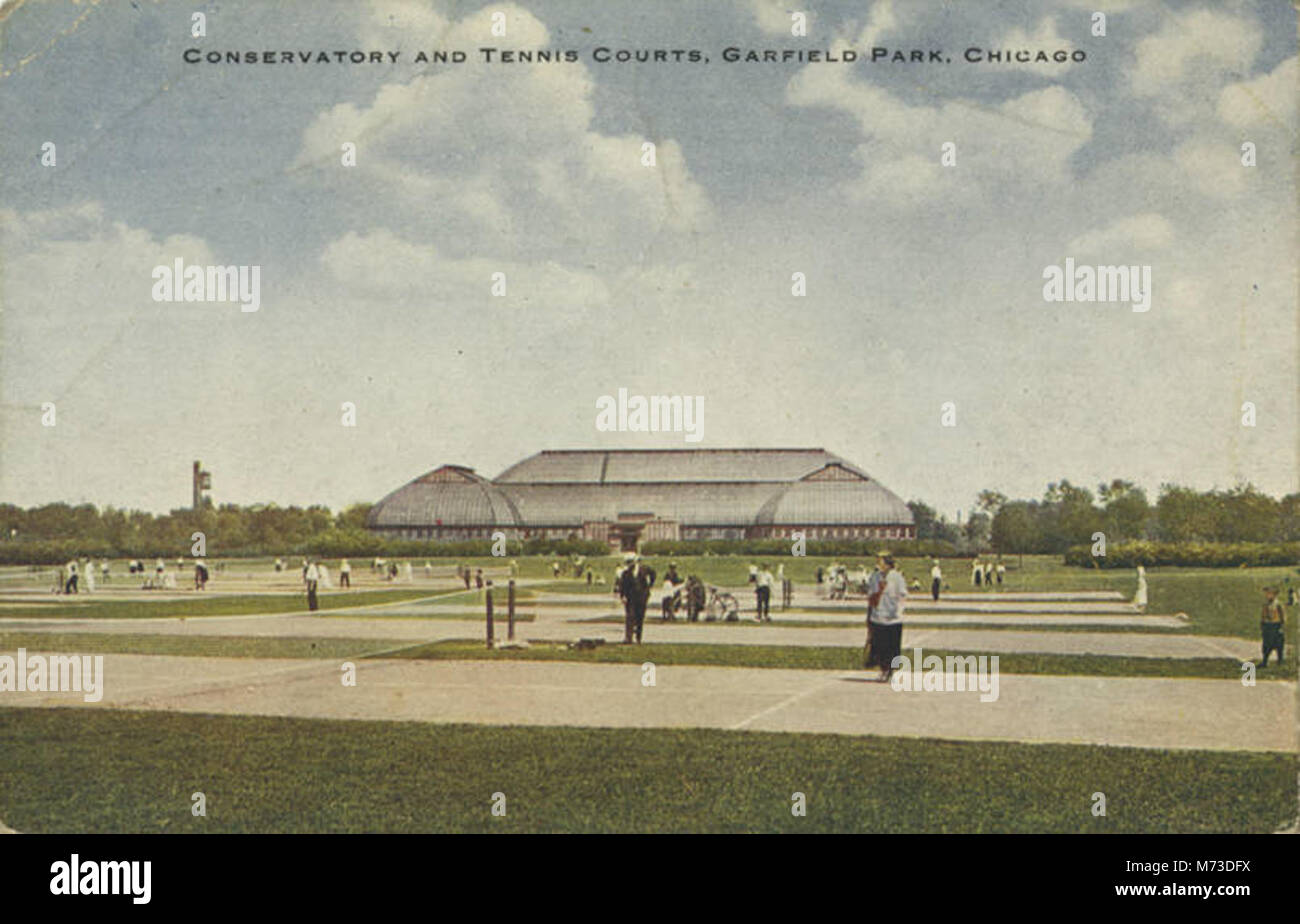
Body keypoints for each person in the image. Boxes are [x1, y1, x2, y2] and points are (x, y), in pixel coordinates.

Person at [866, 553, 908, 682]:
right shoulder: (874, 576)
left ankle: (890, 671)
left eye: (881, 561)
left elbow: (902, 596)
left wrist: (898, 610)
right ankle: (883, 669)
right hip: (878, 616)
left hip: (893, 618)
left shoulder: (897, 577)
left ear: (888, 564)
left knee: (892, 647)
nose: (879, 564)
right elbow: (870, 596)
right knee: (879, 646)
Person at [618, 554, 655, 643]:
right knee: (630, 616)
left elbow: (653, 574)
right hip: (631, 598)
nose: (629, 564)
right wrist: (622, 596)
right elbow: (622, 586)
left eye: (630, 562)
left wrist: (650, 585)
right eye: (627, 563)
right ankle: (628, 638)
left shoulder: (644, 569)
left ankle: (638, 637)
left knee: (640, 617)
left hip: (642, 597)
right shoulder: (625, 573)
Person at [1260, 586, 1286, 667]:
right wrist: (1262, 624)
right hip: (1268, 626)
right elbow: (1263, 615)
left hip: (1276, 625)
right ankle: (1265, 661)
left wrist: (1281, 626)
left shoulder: (1278, 604)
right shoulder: (1266, 604)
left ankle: (1280, 661)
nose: (1267, 596)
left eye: (1269, 594)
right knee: (1266, 644)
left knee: (1278, 644)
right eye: (1267, 594)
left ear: (1274, 595)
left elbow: (1283, 616)